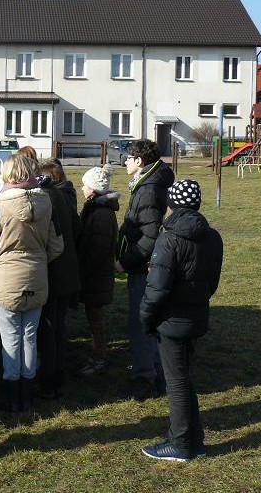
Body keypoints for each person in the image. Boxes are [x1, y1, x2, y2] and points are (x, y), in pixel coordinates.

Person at [140, 180, 223, 461]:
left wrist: (146, 318)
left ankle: (181, 445)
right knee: (183, 378)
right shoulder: (212, 237)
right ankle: (191, 437)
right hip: (196, 316)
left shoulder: (169, 239)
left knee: (175, 382)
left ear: (171, 205)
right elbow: (212, 282)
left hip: (171, 321)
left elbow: (156, 288)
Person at [0, 153, 63, 414]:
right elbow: (57, 245)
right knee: (30, 336)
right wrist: (38, 259)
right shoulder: (47, 201)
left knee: (10, 338)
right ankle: (27, 395)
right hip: (38, 275)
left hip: (6, 278)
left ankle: (12, 394)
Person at [115, 138, 175, 400]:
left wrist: (125, 261)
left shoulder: (148, 190)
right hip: (142, 266)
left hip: (143, 269)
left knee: (141, 324)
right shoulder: (146, 184)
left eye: (127, 158)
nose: (125, 162)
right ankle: (155, 376)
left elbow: (149, 236)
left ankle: (145, 379)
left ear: (139, 162)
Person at [35, 159, 81, 400]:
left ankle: (49, 379)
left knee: (49, 327)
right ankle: (58, 372)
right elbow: (76, 226)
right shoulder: (64, 196)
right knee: (59, 325)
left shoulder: (47, 198)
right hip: (66, 270)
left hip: (53, 270)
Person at [76, 165, 120, 376]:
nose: (81, 188)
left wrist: (85, 270)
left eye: (84, 185)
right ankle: (97, 353)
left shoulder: (101, 213)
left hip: (96, 275)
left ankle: (99, 356)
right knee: (93, 317)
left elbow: (99, 249)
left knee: (96, 319)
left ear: (93, 189)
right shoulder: (96, 208)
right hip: (95, 274)